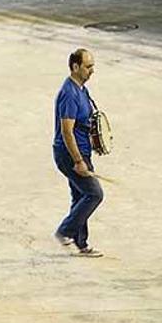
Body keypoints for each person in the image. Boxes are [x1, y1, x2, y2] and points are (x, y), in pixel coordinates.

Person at [52, 48, 105, 257]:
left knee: (80, 195)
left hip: (82, 151)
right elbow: (67, 130)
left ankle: (80, 243)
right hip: (70, 155)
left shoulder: (82, 89)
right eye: (88, 66)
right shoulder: (69, 93)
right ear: (75, 67)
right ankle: (64, 231)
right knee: (94, 193)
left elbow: (85, 122)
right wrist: (78, 161)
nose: (92, 70)